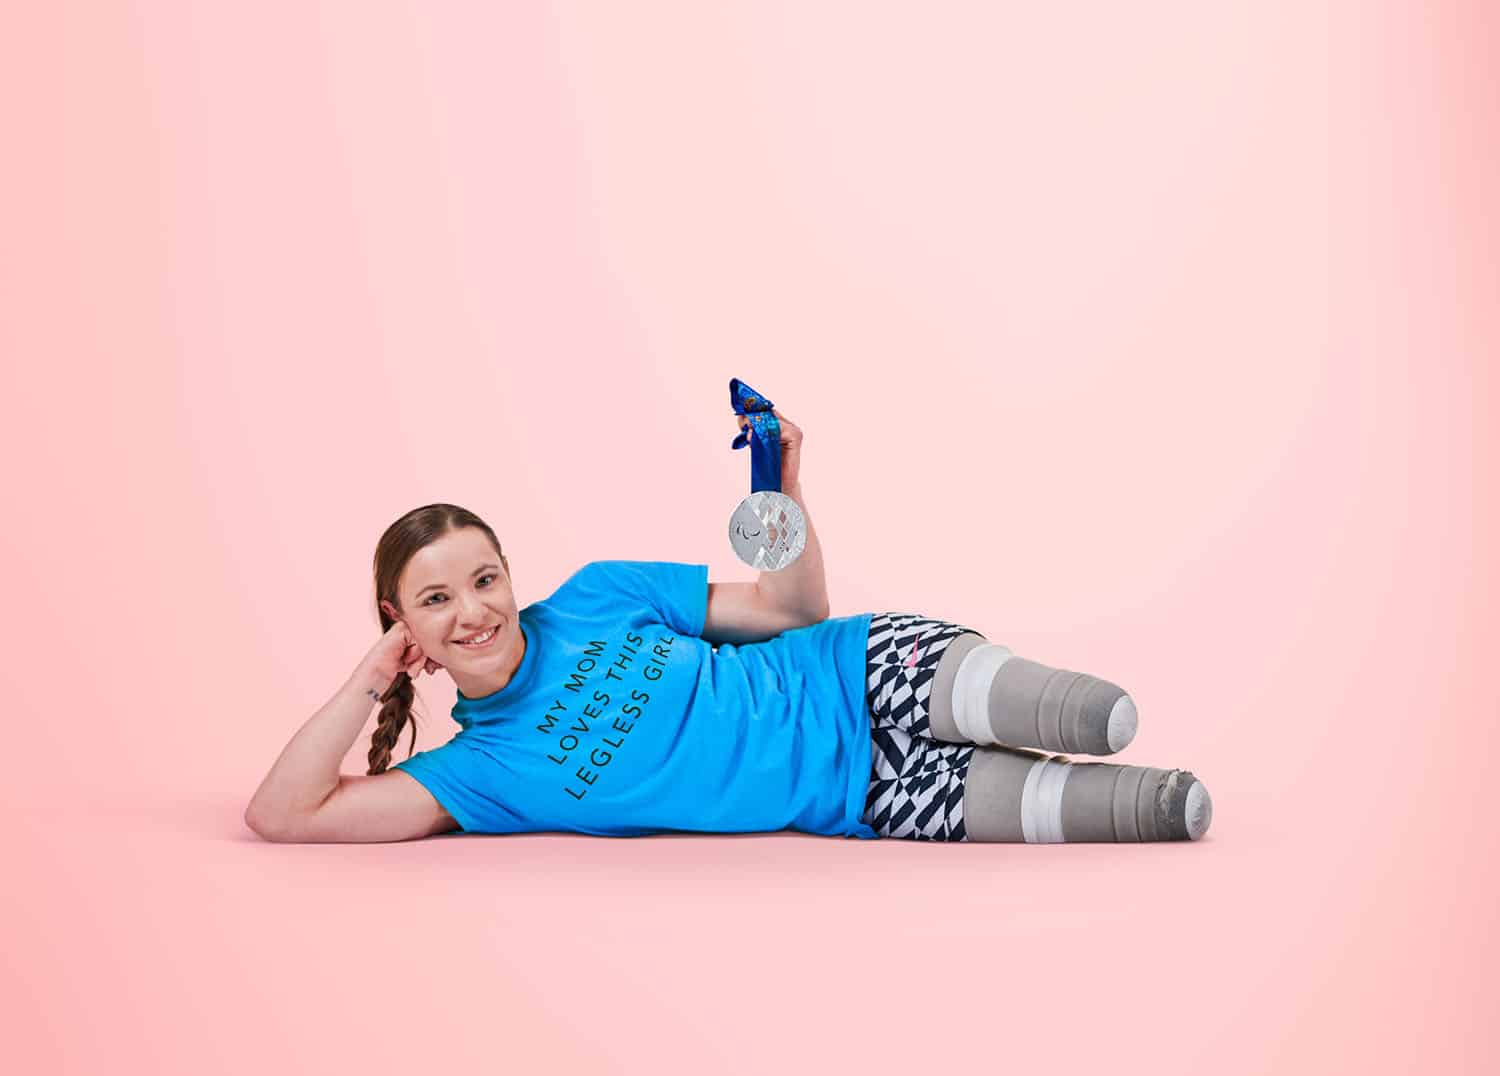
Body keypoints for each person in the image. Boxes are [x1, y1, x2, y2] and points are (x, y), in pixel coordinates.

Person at [245, 415, 1212, 845]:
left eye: (484, 579)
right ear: (401, 623)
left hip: (857, 668)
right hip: (864, 796)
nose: (474, 612)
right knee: (1154, 813)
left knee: (1092, 715)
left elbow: (790, 611)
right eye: (436, 601)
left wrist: (780, 492)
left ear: (509, 574)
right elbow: (284, 816)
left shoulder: (597, 595)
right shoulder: (472, 776)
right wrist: (371, 679)